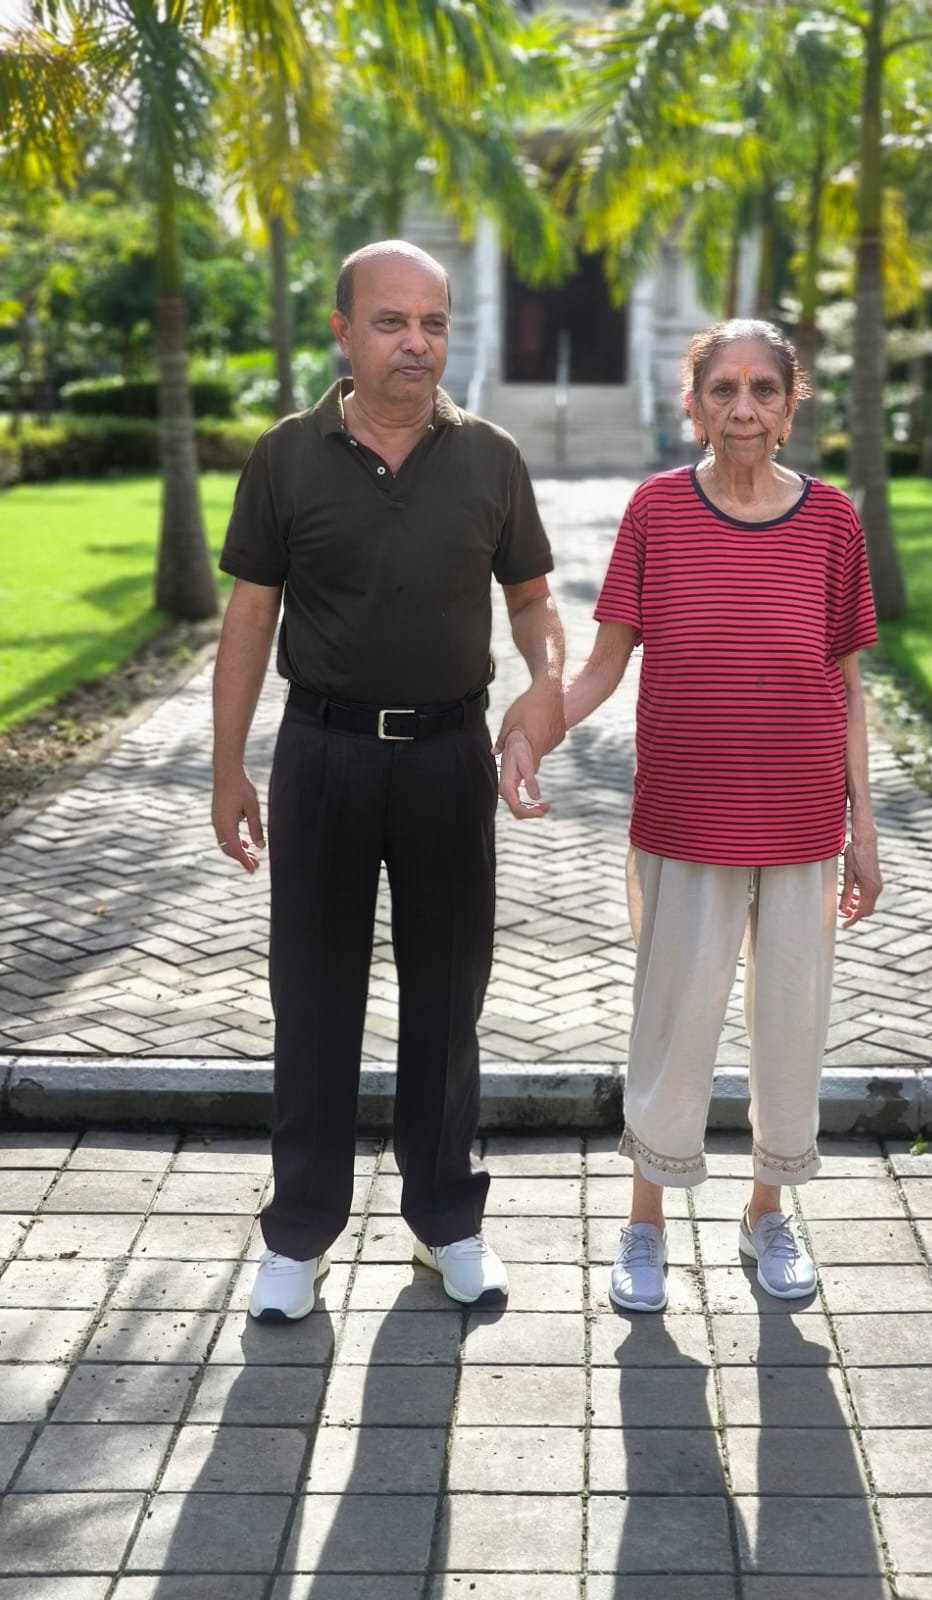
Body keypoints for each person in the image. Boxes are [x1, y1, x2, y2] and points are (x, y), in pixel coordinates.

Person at [211, 240, 563, 1321]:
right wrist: (228, 766)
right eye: (391, 321)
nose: (418, 342)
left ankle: (444, 1219)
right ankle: (300, 1232)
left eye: (435, 322)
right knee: (311, 996)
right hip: (320, 753)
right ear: (342, 330)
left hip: (450, 757)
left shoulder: (492, 457)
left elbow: (534, 599)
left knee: (448, 995)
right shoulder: (283, 457)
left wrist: (541, 693)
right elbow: (250, 618)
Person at [563, 319, 882, 1311]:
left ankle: (768, 1213)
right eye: (724, 389)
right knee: (673, 1028)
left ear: (791, 407)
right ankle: (644, 1225)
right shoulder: (656, 510)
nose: (742, 408)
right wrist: (531, 725)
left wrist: (861, 825)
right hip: (684, 819)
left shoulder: (832, 521)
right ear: (692, 402)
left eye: (762, 390)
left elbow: (847, 683)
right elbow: (607, 662)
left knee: (791, 1026)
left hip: (798, 826)